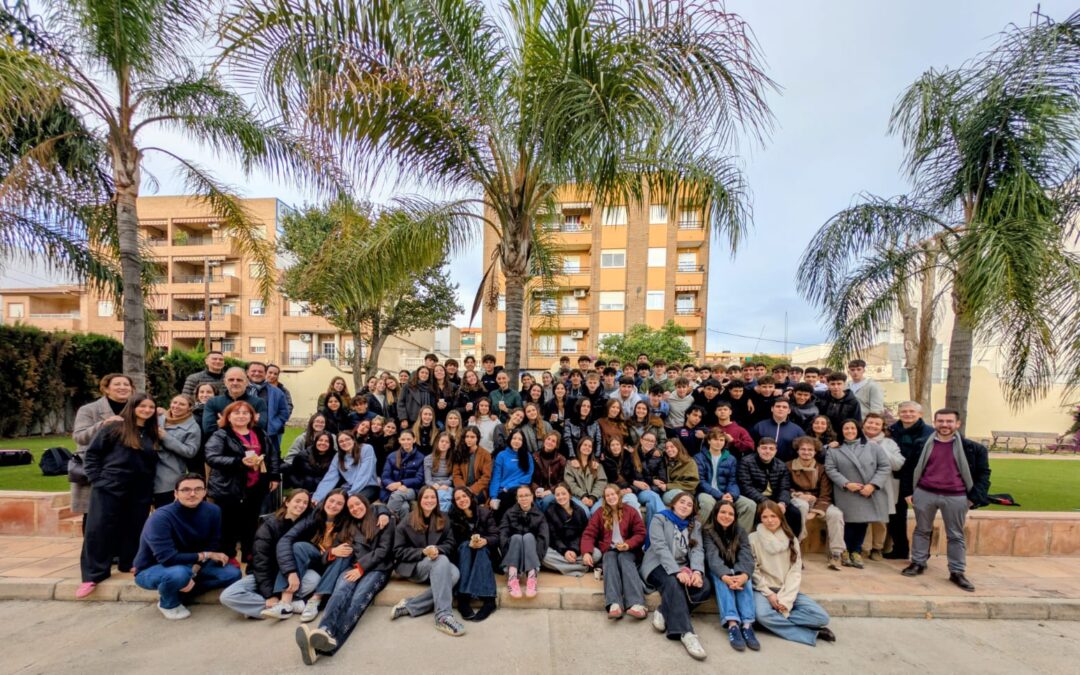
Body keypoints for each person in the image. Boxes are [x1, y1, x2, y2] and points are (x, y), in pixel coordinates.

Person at [76, 392, 159, 598]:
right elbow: (92, 454)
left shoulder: (150, 432)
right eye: (142, 406)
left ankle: (129, 562)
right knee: (99, 529)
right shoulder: (114, 428)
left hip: (139, 490)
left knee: (134, 527)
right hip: (109, 486)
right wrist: (98, 480)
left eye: (151, 407)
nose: (147, 410)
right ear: (132, 407)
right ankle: (93, 575)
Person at [294, 495, 394, 665]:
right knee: (340, 591)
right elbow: (327, 555)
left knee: (357, 598)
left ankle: (325, 645)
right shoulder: (349, 526)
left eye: (358, 504)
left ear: (365, 503)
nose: (355, 508)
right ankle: (324, 630)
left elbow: (384, 550)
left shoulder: (382, 519)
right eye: (351, 507)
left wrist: (361, 568)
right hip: (354, 567)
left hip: (377, 569)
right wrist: (334, 552)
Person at [902, 408, 991, 592]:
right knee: (921, 530)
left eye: (949, 421)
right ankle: (918, 562)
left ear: (957, 424)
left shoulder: (973, 449)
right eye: (940, 421)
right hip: (925, 493)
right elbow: (909, 468)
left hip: (956, 496)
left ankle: (957, 571)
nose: (944, 425)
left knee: (956, 535)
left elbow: (984, 474)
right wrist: (908, 491)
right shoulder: (922, 444)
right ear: (934, 423)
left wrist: (974, 498)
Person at [133, 473, 241, 619]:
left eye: (198, 489)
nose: (192, 494)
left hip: (193, 563)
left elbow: (213, 542)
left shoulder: (213, 511)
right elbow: (167, 558)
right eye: (185, 490)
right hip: (155, 568)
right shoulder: (161, 517)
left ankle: (180, 591)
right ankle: (168, 602)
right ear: (175, 493)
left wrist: (196, 565)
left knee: (232, 574)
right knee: (179, 574)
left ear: (204, 492)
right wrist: (203, 558)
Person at [220, 489, 318, 619]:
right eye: (297, 501)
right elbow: (261, 562)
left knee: (314, 579)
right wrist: (269, 595)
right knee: (228, 595)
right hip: (265, 573)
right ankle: (281, 605)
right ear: (287, 502)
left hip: (290, 575)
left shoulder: (306, 525)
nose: (301, 505)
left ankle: (271, 607)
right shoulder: (269, 525)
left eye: (305, 503)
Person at [204, 400, 280, 564]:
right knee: (228, 523)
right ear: (228, 416)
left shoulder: (260, 433)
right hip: (229, 487)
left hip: (255, 485)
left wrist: (274, 476)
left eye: (245, 413)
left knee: (251, 521)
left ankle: (249, 552)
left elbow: (272, 454)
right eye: (236, 413)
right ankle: (228, 556)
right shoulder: (221, 435)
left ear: (252, 417)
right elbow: (212, 457)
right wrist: (239, 461)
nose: (241, 416)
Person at [750, 500, 833, 645]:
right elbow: (753, 570)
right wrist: (769, 594)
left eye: (773, 516)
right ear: (760, 518)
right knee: (762, 614)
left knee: (822, 618)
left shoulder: (791, 539)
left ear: (780, 517)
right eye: (765, 517)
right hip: (763, 590)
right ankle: (811, 634)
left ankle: (770, 623)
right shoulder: (753, 539)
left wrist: (786, 600)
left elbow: (795, 572)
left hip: (786, 588)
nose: (769, 521)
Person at [641, 491, 711, 661]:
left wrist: (696, 571)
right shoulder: (660, 518)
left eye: (689, 504)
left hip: (683, 566)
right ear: (673, 504)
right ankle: (687, 633)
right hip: (656, 564)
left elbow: (697, 549)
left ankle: (664, 610)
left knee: (705, 586)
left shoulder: (694, 524)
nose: (685, 506)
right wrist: (676, 571)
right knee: (672, 583)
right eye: (682, 502)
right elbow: (659, 547)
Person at [267, 489, 355, 622]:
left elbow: (368, 509)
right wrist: (290, 572)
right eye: (331, 501)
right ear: (325, 501)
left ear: (344, 507)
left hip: (333, 564)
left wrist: (383, 512)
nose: (333, 505)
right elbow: (287, 539)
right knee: (299, 546)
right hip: (316, 558)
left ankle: (315, 600)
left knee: (345, 552)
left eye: (339, 503)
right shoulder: (314, 515)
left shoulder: (348, 521)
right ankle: (285, 604)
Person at [390, 485, 466, 636]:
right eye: (426, 497)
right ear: (419, 500)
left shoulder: (443, 518)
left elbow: (450, 543)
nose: (429, 500)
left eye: (433, 497)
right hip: (414, 566)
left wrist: (439, 549)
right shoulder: (407, 520)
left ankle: (410, 605)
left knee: (455, 574)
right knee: (442, 561)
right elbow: (397, 551)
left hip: (436, 562)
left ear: (437, 501)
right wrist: (422, 552)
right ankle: (443, 616)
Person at [824, 420, 891, 569]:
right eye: (846, 428)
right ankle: (845, 550)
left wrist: (872, 485)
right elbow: (830, 469)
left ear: (858, 430)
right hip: (846, 491)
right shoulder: (835, 449)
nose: (849, 431)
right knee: (847, 522)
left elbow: (884, 466)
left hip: (866, 490)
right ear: (841, 431)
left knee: (862, 522)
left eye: (852, 428)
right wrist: (847, 484)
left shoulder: (873, 447)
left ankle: (857, 551)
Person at [71, 373, 134, 521]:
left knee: (125, 517)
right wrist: (102, 424)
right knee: (94, 516)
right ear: (106, 389)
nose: (122, 387)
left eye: (126, 384)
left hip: (127, 472)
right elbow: (79, 437)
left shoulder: (137, 409)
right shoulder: (89, 410)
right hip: (96, 471)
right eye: (117, 384)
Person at [580, 484, 648, 620]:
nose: (611, 497)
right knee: (609, 559)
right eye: (607, 496)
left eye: (613, 494)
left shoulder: (630, 511)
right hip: (610, 549)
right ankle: (614, 603)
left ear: (619, 495)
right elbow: (589, 534)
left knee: (624, 559)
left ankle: (637, 604)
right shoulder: (600, 513)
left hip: (629, 550)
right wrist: (586, 552)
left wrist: (628, 544)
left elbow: (640, 533)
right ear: (605, 498)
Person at [703, 500, 759, 652]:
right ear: (715, 513)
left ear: (735, 517)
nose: (726, 516)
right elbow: (712, 558)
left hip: (735, 568)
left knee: (744, 576)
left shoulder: (740, 532)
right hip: (715, 571)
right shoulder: (708, 531)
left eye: (730, 514)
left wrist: (744, 576)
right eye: (723, 512)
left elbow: (746, 556)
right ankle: (733, 624)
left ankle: (747, 625)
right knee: (721, 577)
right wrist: (725, 575)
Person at [787, 436, 845, 570]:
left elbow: (826, 493)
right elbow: (785, 487)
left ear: (815, 452)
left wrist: (815, 511)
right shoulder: (789, 466)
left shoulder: (821, 469)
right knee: (801, 506)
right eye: (803, 449)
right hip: (797, 498)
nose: (806, 452)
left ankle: (836, 553)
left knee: (836, 514)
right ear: (797, 450)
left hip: (818, 501)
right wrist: (797, 494)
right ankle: (796, 549)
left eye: (810, 450)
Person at [886, 401, 934, 559]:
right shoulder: (892, 430)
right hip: (896, 478)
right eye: (904, 411)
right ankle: (900, 549)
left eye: (912, 411)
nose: (907, 414)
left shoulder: (929, 433)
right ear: (899, 413)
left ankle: (922, 554)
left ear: (920, 414)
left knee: (924, 518)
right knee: (895, 517)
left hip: (921, 480)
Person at [448, 487, 499, 622]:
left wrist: (485, 540)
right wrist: (467, 542)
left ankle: (489, 600)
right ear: (454, 502)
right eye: (458, 499)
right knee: (465, 546)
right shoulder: (452, 517)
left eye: (464, 496)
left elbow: (496, 536)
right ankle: (463, 599)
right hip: (464, 555)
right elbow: (451, 541)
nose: (462, 500)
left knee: (481, 550)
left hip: (486, 553)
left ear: (470, 497)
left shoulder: (484, 512)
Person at [860, 413, 905, 560]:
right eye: (870, 422)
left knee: (880, 519)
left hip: (883, 485)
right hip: (862, 484)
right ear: (864, 424)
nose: (872, 426)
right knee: (863, 517)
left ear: (882, 427)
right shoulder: (856, 440)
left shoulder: (889, 443)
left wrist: (880, 449)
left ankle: (877, 548)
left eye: (876, 424)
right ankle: (864, 548)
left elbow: (898, 465)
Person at [737, 437, 801, 537]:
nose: (767, 451)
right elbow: (746, 487)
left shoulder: (781, 465)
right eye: (764, 448)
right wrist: (767, 502)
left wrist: (782, 503)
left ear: (775, 451)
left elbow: (784, 488)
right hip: (756, 499)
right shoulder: (746, 462)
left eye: (771, 449)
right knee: (761, 515)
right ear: (758, 449)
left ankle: (792, 543)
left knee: (794, 513)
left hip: (775, 499)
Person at [695, 428, 756, 532]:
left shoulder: (731, 458)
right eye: (715, 439)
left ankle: (739, 537)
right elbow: (701, 481)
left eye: (721, 440)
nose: (718, 443)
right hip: (706, 493)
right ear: (709, 441)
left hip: (725, 494)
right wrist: (719, 495)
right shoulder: (699, 457)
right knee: (708, 504)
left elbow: (732, 481)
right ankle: (695, 533)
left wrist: (731, 495)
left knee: (750, 505)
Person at [499, 484, 549, 598]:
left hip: (531, 552)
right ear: (517, 498)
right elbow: (503, 534)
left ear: (532, 497)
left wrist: (538, 558)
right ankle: (512, 577)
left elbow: (543, 538)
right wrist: (505, 551)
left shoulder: (539, 515)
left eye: (527, 495)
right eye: (520, 496)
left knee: (528, 537)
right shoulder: (509, 513)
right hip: (513, 551)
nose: (524, 498)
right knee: (516, 537)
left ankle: (532, 576)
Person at [155, 394, 201, 508]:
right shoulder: (159, 418)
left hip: (169, 476)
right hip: (149, 471)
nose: (176, 406)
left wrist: (166, 437)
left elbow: (190, 451)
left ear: (189, 407)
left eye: (182, 404)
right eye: (175, 402)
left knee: (165, 510)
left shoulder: (193, 427)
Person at [313, 430, 380, 504]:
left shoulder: (366, 449)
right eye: (341, 441)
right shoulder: (338, 457)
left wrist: (349, 494)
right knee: (325, 502)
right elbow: (330, 478)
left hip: (368, 487)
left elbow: (364, 475)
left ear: (353, 440)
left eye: (347, 439)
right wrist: (317, 497)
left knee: (348, 503)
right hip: (348, 488)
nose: (344, 443)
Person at [201, 367, 268, 436]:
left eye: (239, 380)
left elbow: (261, 428)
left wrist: (224, 423)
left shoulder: (258, 402)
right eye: (231, 380)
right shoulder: (213, 402)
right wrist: (249, 422)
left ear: (247, 382)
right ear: (225, 382)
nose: (235, 383)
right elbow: (208, 430)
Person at [541, 483, 590, 576]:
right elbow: (553, 537)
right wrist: (565, 551)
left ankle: (564, 567)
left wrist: (574, 550)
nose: (561, 497)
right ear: (554, 497)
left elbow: (584, 534)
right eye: (557, 495)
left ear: (570, 494)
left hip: (577, 549)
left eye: (564, 493)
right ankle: (580, 567)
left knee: (596, 554)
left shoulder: (580, 511)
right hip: (560, 549)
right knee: (544, 556)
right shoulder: (550, 511)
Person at [488, 429, 535, 521]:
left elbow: (528, 476)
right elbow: (496, 477)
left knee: (514, 497)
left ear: (523, 442)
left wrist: (509, 486)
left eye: (520, 439)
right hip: (503, 491)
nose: (517, 441)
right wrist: (493, 497)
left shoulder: (527, 455)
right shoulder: (502, 455)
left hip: (519, 489)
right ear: (510, 439)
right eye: (514, 438)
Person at [380, 429, 426, 521]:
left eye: (409, 439)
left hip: (412, 489)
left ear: (414, 440)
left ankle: (385, 520)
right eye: (403, 439)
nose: (406, 442)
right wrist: (396, 486)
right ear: (399, 440)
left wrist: (401, 483)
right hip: (391, 489)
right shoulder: (392, 456)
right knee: (404, 507)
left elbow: (419, 479)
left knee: (398, 495)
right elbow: (385, 477)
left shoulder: (421, 457)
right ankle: (401, 531)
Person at [247, 361, 291, 454]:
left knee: (270, 461)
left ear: (264, 373)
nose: (257, 373)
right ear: (247, 372)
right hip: (244, 433)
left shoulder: (277, 392)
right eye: (253, 371)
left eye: (260, 371)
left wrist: (275, 424)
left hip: (268, 434)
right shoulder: (241, 389)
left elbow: (284, 411)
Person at [450, 426, 493, 503]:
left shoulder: (485, 454)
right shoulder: (459, 452)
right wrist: (463, 489)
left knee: (470, 501)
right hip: (462, 488)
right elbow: (456, 474)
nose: (469, 439)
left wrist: (472, 489)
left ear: (477, 438)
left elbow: (486, 477)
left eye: (472, 437)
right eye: (467, 437)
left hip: (478, 489)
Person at [633, 432, 668, 526]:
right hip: (636, 491)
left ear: (655, 443)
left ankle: (649, 537)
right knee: (653, 497)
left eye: (652, 441)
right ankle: (667, 523)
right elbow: (632, 477)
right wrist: (652, 480)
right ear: (641, 440)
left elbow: (662, 479)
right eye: (647, 440)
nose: (649, 442)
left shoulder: (658, 458)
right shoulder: (632, 455)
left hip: (650, 490)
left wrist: (651, 486)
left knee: (651, 504)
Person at [657, 438, 700, 505]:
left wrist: (668, 486)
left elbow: (691, 483)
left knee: (679, 496)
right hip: (666, 493)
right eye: (667, 448)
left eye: (672, 447)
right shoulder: (663, 461)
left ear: (679, 447)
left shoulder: (689, 462)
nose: (669, 450)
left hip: (685, 493)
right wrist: (655, 480)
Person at [532, 431, 567, 510]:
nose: (550, 442)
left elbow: (562, 481)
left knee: (547, 501)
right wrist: (536, 489)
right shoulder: (535, 456)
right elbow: (531, 478)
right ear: (544, 440)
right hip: (537, 490)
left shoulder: (561, 459)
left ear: (556, 445)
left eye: (553, 441)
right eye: (548, 439)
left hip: (552, 491)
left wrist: (550, 491)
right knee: (533, 502)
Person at [424, 432, 456, 512]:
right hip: (432, 486)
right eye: (442, 441)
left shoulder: (453, 459)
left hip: (447, 486)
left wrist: (443, 485)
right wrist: (436, 486)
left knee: (445, 496)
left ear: (450, 445)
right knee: (443, 497)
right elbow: (427, 480)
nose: (444, 444)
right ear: (437, 442)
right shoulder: (428, 458)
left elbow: (451, 479)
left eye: (447, 442)